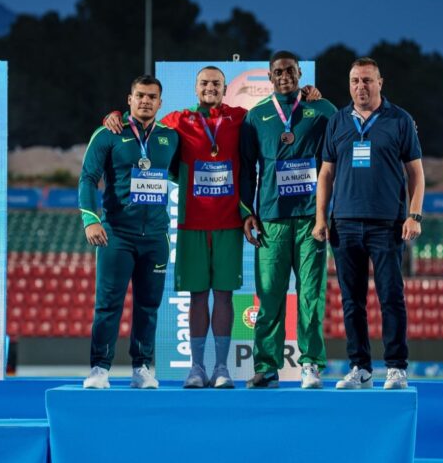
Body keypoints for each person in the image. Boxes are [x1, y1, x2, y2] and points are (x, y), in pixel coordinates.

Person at [104, 66, 322, 389]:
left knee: (223, 297)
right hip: (191, 224)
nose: (210, 88)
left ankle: (221, 367)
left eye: (216, 84)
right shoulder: (178, 120)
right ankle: (196, 368)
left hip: (229, 225)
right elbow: (143, 122)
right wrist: (117, 115)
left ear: (223, 88)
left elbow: (273, 124)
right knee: (196, 297)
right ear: (196, 89)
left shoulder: (240, 117)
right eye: (204, 83)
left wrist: (306, 96)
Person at [312, 57, 425, 390]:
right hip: (344, 224)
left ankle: (396, 368)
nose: (360, 86)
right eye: (354, 80)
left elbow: (416, 172)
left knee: (391, 297)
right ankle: (360, 367)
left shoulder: (400, 120)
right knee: (351, 300)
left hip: (387, 223)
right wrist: (321, 217)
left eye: (366, 80)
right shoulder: (337, 122)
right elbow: (326, 174)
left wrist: (414, 215)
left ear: (380, 83)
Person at [239, 50, 337, 389]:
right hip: (271, 221)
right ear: (270, 77)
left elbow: (336, 160)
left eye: (291, 70)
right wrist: (247, 213)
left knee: (311, 294)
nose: (285, 76)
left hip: (312, 219)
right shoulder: (256, 117)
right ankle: (266, 367)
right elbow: (246, 171)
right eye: (278, 71)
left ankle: (311, 365)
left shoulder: (322, 110)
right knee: (269, 296)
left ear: (300, 73)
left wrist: (327, 214)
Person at [79, 75, 179, 389]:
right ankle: (99, 369)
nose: (146, 101)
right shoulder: (108, 134)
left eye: (152, 97)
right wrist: (90, 218)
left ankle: (142, 368)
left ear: (160, 103)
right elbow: (87, 178)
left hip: (156, 237)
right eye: (140, 95)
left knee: (148, 306)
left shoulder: (171, 137)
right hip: (116, 234)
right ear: (129, 99)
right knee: (108, 304)